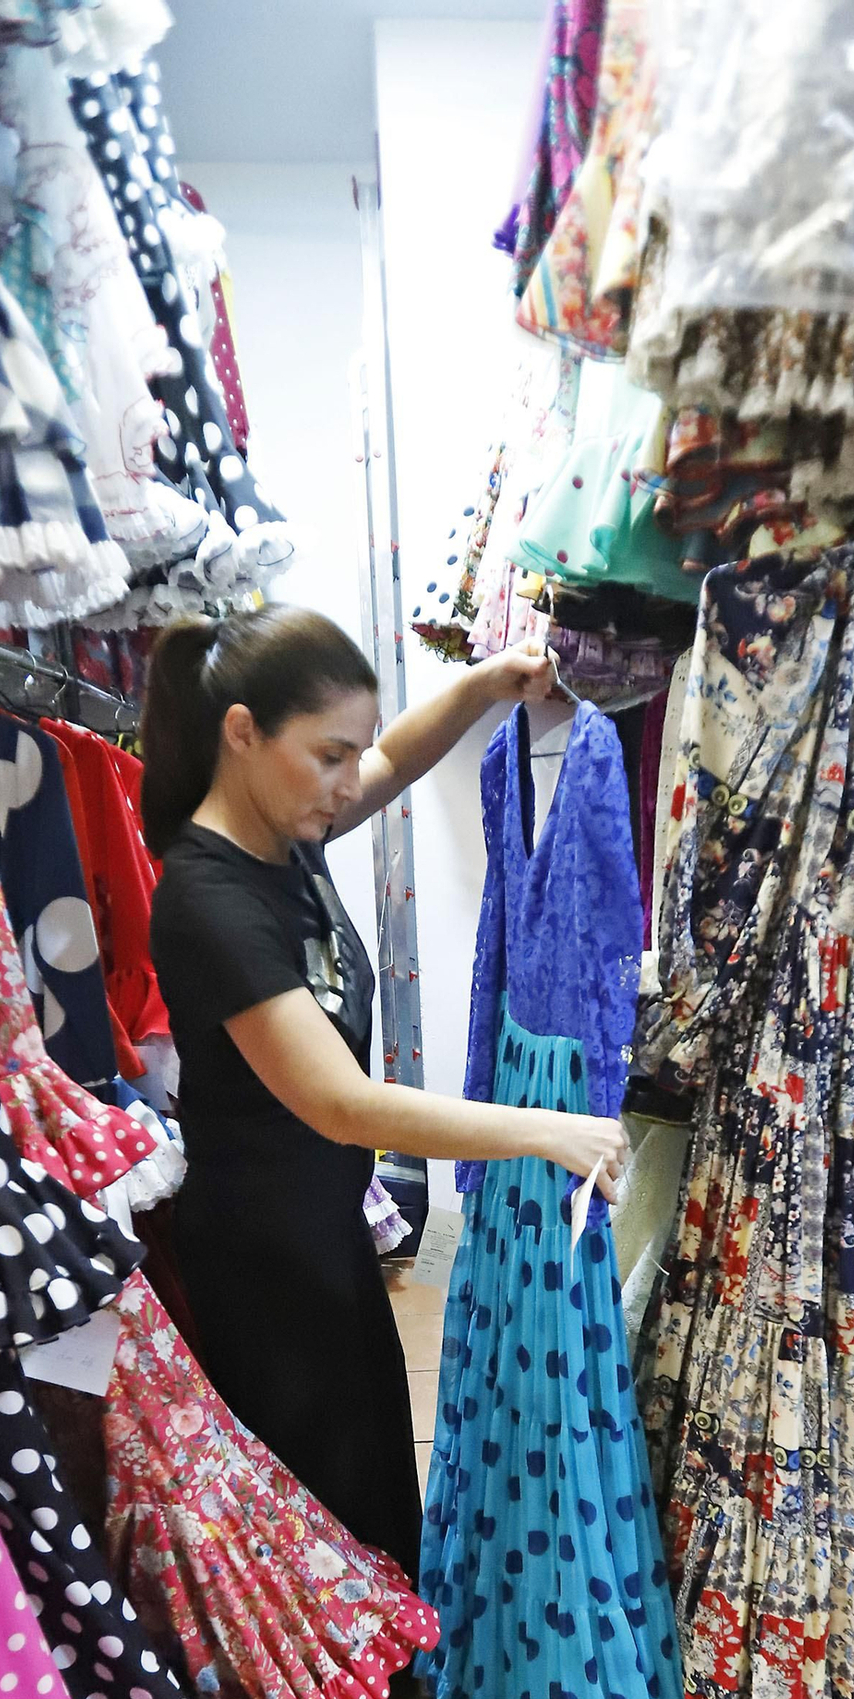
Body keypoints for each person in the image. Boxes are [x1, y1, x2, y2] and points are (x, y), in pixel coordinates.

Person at [143, 607, 629, 1584]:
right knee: (309, 1507)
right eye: (328, 755)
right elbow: (338, 1101)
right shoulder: (208, 898)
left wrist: (486, 681)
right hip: (260, 1259)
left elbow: (394, 761)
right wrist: (544, 1132)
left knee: (363, 1491)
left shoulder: (284, 829)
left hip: (322, 1227)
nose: (346, 781)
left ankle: (370, 1668)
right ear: (242, 732)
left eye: (350, 753)